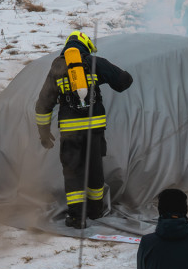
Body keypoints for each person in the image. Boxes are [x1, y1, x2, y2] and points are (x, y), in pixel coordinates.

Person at [34, 31, 133, 229]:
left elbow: (43, 104)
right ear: (85, 45)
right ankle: (95, 211)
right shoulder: (95, 62)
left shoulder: (57, 67)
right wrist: (105, 76)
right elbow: (124, 82)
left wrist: (44, 133)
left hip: (70, 132)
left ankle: (76, 217)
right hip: (94, 129)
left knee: (73, 172)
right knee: (95, 170)